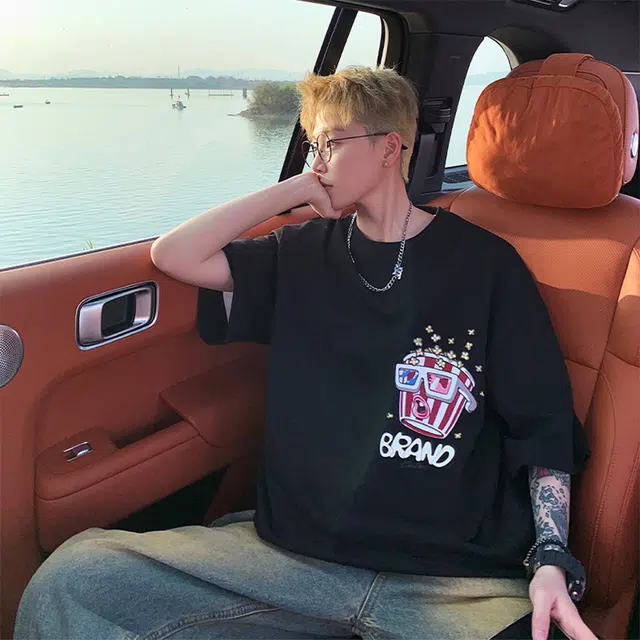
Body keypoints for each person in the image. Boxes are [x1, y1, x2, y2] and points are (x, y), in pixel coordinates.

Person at [14, 66, 595, 640]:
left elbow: (542, 424)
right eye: (312, 144)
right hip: (294, 559)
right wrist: (293, 189)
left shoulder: (487, 266)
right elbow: (175, 255)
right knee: (73, 579)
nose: (317, 160)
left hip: (453, 575)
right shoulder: (298, 253)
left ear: (389, 147)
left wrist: (550, 557)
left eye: (331, 143)